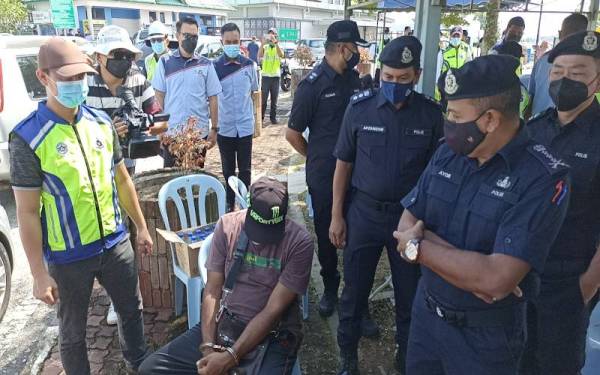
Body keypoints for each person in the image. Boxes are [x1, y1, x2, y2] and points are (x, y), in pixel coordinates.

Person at [394, 54, 570, 375]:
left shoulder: (542, 177)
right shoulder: (448, 153)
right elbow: (406, 221)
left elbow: (495, 279)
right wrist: (468, 268)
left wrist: (417, 246)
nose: (447, 121)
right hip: (426, 318)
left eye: (456, 115)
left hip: (485, 338)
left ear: (490, 120)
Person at [10, 37, 153, 374]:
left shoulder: (101, 124)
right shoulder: (29, 137)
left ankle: (139, 365)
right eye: (68, 78)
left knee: (131, 311)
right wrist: (38, 273)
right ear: (44, 78)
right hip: (69, 255)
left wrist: (142, 227)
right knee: (73, 332)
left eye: (81, 77)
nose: (77, 84)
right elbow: (27, 212)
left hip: (116, 244)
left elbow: (122, 180)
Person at [330, 36, 444, 374]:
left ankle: (405, 357)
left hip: (408, 221)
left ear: (417, 75)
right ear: (380, 73)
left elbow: (437, 172)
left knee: (409, 296)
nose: (394, 85)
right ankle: (348, 355)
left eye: (403, 79)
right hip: (363, 214)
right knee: (354, 292)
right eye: (388, 78)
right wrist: (337, 215)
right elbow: (343, 164)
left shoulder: (430, 114)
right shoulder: (360, 107)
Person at [138, 177, 314, 375]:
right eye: (257, 231)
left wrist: (231, 357)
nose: (261, 241)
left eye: (269, 233)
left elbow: (273, 310)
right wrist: (207, 347)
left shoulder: (300, 243)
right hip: (227, 322)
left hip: (272, 333)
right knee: (150, 369)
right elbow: (212, 290)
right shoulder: (228, 225)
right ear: (248, 212)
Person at [286, 20, 375, 328]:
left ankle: (357, 300)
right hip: (324, 176)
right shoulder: (312, 85)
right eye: (355, 49)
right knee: (328, 233)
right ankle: (329, 288)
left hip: (359, 175)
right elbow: (292, 133)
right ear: (341, 48)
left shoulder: (357, 81)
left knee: (358, 237)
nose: (358, 54)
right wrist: (317, 158)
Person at [520, 30, 600, 375]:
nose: (564, 80)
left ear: (596, 81)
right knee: (518, 356)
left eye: (577, 74)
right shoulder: (535, 128)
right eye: (557, 72)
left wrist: (589, 284)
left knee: (556, 364)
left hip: (570, 278)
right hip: (523, 271)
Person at [86, 25, 167, 176]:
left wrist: (142, 127)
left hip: (127, 166)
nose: (124, 59)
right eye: (117, 54)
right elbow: (73, 128)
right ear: (99, 56)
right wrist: (108, 131)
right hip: (94, 166)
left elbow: (161, 123)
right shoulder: (85, 85)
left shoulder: (139, 82)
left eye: (128, 55)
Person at [152, 16, 221, 167]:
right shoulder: (165, 62)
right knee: (172, 181)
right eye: (187, 35)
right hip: (172, 135)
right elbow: (158, 98)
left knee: (196, 181)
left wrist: (214, 128)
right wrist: (160, 129)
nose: (191, 39)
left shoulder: (206, 64)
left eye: (194, 36)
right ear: (177, 36)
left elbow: (213, 98)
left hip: (198, 135)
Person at [213, 23, 259, 212]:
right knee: (228, 170)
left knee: (246, 170)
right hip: (225, 127)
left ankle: (245, 204)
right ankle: (230, 205)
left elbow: (255, 94)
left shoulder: (249, 66)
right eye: (228, 42)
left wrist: (258, 124)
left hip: (245, 126)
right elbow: (212, 99)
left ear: (241, 42)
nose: (232, 45)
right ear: (221, 42)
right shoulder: (214, 67)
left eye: (236, 41)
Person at [528, 13, 588, 118]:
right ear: (585, 36)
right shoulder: (587, 67)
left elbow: (531, 95)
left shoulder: (542, 60)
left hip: (536, 123)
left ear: (560, 34)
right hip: (566, 127)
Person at [435, 26, 471, 101]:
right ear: (450, 36)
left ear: (461, 37)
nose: (456, 37)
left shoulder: (466, 49)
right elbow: (438, 68)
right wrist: (437, 85)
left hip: (461, 84)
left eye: (458, 35)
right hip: (446, 83)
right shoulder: (444, 50)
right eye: (454, 35)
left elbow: (469, 66)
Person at [258, 28, 284, 125]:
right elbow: (259, 55)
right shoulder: (265, 47)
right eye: (270, 35)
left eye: (273, 35)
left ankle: (273, 118)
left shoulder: (278, 47)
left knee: (274, 100)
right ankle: (261, 118)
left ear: (276, 36)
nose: (271, 37)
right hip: (266, 77)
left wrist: (275, 43)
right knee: (263, 100)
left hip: (276, 77)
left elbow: (281, 55)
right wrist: (262, 44)